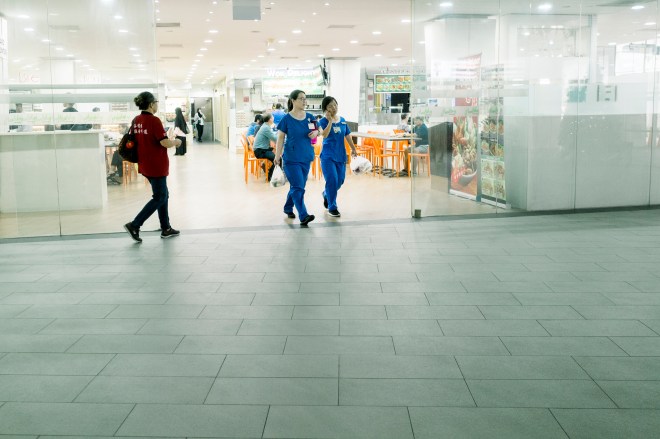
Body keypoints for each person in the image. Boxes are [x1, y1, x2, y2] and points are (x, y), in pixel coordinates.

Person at [123, 91, 182, 243]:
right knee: (160, 196)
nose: (157, 104)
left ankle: (166, 228)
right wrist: (177, 142)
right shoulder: (154, 121)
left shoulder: (136, 119)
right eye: (156, 102)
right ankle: (135, 224)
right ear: (150, 104)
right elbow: (165, 143)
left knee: (163, 195)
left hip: (144, 164)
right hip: (156, 165)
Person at [274, 89, 319, 226]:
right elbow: (280, 138)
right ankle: (303, 215)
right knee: (298, 187)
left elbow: (319, 131)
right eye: (301, 98)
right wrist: (277, 156)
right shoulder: (286, 119)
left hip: (306, 157)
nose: (304, 101)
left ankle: (288, 207)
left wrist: (317, 132)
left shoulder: (310, 117)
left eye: (305, 98)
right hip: (291, 159)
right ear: (293, 100)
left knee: (297, 186)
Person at [318, 96, 357, 218]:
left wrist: (353, 148)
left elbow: (347, 135)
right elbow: (324, 135)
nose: (333, 108)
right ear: (325, 109)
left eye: (335, 105)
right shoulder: (322, 121)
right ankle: (332, 207)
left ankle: (326, 193)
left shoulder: (343, 120)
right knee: (332, 180)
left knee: (340, 181)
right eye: (330, 106)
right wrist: (330, 121)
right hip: (328, 156)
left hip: (340, 155)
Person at [253, 112, 277, 181]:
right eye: (272, 117)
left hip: (262, 149)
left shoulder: (265, 126)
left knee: (275, 151)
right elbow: (275, 138)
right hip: (260, 151)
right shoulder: (266, 128)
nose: (273, 118)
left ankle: (267, 168)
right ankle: (270, 176)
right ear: (270, 119)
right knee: (278, 159)